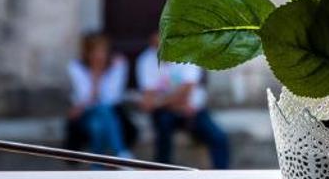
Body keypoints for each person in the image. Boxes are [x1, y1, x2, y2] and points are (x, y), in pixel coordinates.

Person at [136, 30, 231, 170]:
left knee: (219, 137)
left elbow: (185, 92)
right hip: (169, 113)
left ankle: (223, 178)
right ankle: (161, 174)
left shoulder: (189, 54)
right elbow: (148, 100)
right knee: (163, 126)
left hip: (192, 112)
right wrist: (175, 102)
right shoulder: (146, 60)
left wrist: (159, 102)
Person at [66, 29, 135, 159]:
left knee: (97, 125)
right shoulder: (76, 67)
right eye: (95, 51)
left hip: (113, 112)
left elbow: (112, 98)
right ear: (87, 53)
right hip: (87, 115)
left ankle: (97, 165)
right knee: (100, 114)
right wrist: (96, 75)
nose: (99, 55)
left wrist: (84, 104)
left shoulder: (118, 63)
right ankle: (121, 154)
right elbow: (85, 97)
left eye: (102, 50)